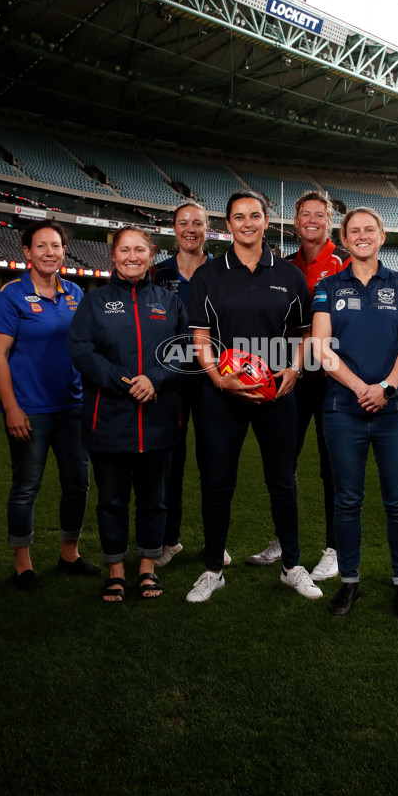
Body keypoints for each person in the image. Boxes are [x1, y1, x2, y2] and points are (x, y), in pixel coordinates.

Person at [185, 190, 322, 602]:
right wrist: (216, 378)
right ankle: (212, 570)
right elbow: (200, 337)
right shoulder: (207, 276)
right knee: (218, 483)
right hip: (222, 395)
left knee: (282, 481)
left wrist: (296, 370)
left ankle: (292, 565)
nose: (247, 223)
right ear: (227, 225)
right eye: (238, 217)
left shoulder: (290, 275)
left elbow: (302, 336)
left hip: (276, 394)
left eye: (255, 216)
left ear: (266, 221)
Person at [312, 207, 398, 619]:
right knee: (347, 500)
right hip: (343, 409)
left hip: (397, 411)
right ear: (344, 238)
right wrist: (361, 388)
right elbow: (322, 349)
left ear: (381, 236)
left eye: (369, 229)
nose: (362, 235)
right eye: (354, 230)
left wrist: (387, 388)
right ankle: (350, 583)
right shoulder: (326, 286)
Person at [68, 227, 186, 602]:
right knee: (112, 501)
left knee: (155, 500)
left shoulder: (168, 302)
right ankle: (116, 571)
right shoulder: (94, 301)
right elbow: (82, 351)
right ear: (113, 256)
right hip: (109, 421)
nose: (132, 256)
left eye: (139, 249)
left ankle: (148, 570)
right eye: (124, 250)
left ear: (151, 254)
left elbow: (184, 351)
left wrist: (154, 379)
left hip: (159, 419)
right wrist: (124, 381)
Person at [0, 219, 97, 593]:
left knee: (78, 484)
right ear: (27, 252)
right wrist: (11, 408)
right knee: (26, 486)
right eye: (41, 246)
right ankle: (23, 564)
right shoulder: (10, 296)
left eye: (56, 246)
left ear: (64, 251)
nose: (49, 252)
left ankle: (70, 553)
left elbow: (87, 347)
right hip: (29, 409)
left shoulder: (75, 293)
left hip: (73, 406)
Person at [248, 191, 350, 581]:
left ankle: (334, 548)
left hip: (332, 378)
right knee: (283, 462)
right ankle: (283, 540)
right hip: (292, 376)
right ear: (294, 222)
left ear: (329, 222)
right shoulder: (285, 266)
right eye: (305, 214)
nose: (312, 220)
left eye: (319, 215)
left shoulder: (342, 261)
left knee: (332, 466)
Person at [151, 202, 231, 568]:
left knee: (214, 461)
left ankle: (215, 543)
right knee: (172, 461)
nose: (190, 229)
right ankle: (170, 539)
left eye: (197, 223)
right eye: (183, 223)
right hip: (171, 380)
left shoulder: (222, 270)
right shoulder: (157, 273)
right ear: (173, 228)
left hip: (214, 378)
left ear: (207, 228)